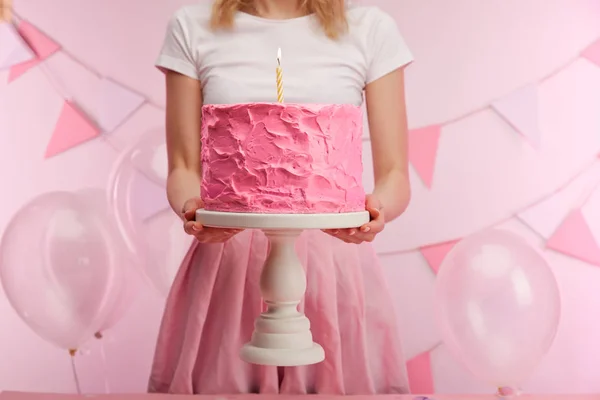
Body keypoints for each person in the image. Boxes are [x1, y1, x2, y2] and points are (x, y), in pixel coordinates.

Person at [150, 0, 413, 394]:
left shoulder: (371, 29)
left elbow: (394, 175)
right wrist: (194, 208)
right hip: (227, 255)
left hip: (333, 259)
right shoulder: (192, 26)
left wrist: (378, 210)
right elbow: (184, 167)